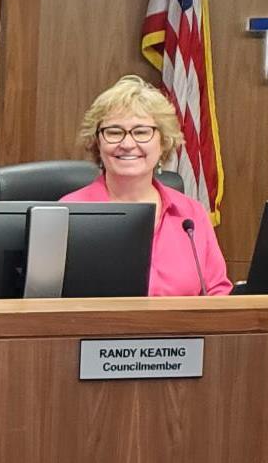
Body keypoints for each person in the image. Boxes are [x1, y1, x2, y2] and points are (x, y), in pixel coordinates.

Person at [62, 76, 231, 297]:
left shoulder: (191, 215)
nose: (128, 144)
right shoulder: (68, 213)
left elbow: (217, 292)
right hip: (95, 331)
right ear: (97, 142)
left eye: (141, 132)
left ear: (163, 142)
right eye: (114, 132)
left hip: (180, 331)